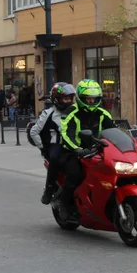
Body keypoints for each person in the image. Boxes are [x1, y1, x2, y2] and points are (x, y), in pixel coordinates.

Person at [58, 79, 115, 218]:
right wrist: (77, 149)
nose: (91, 102)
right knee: (75, 174)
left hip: (97, 151)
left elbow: (114, 131)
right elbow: (66, 133)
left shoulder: (103, 113)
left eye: (94, 99)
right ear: (80, 98)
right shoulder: (71, 112)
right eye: (88, 99)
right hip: (73, 152)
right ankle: (64, 204)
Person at [30, 82, 76, 206]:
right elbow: (34, 132)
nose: (69, 101)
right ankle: (49, 189)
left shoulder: (76, 112)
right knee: (55, 158)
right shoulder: (48, 113)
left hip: (75, 145)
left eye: (70, 98)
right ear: (57, 99)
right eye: (65, 98)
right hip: (57, 144)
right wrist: (43, 148)